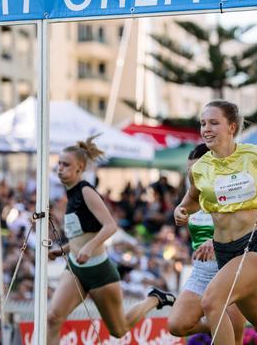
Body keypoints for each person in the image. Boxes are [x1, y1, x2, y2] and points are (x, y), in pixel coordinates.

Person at [174, 100, 257, 345]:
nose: (206, 128)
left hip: (256, 246)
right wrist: (182, 209)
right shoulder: (200, 167)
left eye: (214, 123)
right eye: (203, 123)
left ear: (232, 127)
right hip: (225, 251)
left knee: (212, 302)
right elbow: (193, 199)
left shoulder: (252, 154)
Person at [47, 135, 175, 344]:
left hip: (99, 270)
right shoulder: (69, 194)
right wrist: (63, 250)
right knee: (53, 317)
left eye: (66, 164)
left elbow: (110, 226)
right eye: (59, 163)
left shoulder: (86, 190)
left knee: (119, 329)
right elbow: (83, 235)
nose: (60, 168)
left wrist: (88, 248)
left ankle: (154, 299)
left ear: (79, 167)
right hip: (75, 267)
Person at [168, 143, 246, 343]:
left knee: (237, 335)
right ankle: (216, 327)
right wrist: (179, 213)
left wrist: (215, 240)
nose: (193, 175)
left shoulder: (228, 191)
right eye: (189, 170)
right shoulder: (191, 199)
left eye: (197, 169)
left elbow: (243, 226)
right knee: (177, 324)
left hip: (230, 267)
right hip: (203, 271)